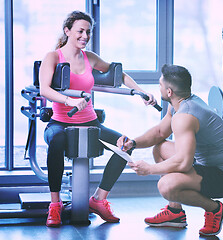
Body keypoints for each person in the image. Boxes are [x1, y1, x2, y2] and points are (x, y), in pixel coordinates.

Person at [39, 11, 157, 227]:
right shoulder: (53, 57)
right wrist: (69, 100)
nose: (85, 36)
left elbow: (119, 75)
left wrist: (142, 92)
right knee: (56, 142)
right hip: (60, 123)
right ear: (67, 31)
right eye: (80, 31)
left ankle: (99, 199)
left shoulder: (89, 57)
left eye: (88, 32)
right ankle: (55, 205)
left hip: (90, 123)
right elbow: (44, 89)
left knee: (126, 144)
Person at [118, 64, 223, 236]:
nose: (158, 87)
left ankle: (215, 209)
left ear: (169, 92)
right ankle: (175, 214)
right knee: (160, 148)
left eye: (160, 85)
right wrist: (133, 143)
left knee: (166, 186)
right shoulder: (180, 103)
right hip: (205, 165)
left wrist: (149, 169)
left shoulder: (185, 116)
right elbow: (160, 132)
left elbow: (183, 162)